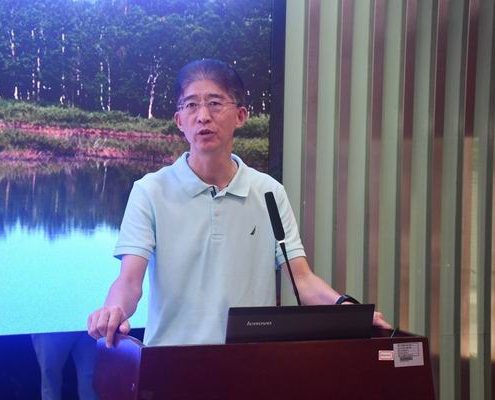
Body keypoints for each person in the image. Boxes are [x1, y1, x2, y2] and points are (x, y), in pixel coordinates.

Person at [87, 59, 391, 347]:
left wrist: (348, 310)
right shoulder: (150, 191)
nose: (203, 116)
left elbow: (302, 280)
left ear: (241, 116)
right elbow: (129, 282)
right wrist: (112, 310)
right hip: (171, 365)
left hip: (251, 364)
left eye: (215, 103)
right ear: (179, 121)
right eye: (191, 105)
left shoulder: (269, 192)